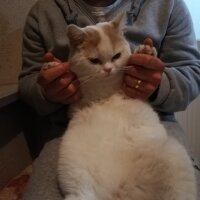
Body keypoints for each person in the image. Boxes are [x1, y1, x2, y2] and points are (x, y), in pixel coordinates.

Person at [19, 0, 200, 199]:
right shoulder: (43, 12)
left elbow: (192, 73)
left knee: (175, 172)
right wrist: (46, 92)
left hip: (148, 120)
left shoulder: (168, 4)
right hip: (77, 125)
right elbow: (28, 83)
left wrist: (159, 85)